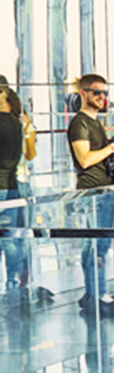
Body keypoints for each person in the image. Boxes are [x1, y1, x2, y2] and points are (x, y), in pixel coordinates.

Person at [67, 74, 114, 318]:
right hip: (92, 191)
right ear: (83, 93)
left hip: (104, 189)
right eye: (97, 93)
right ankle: (97, 293)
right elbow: (84, 159)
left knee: (99, 243)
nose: (102, 97)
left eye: (105, 93)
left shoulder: (95, 122)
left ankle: (95, 292)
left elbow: (98, 155)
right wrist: (111, 148)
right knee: (97, 244)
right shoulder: (80, 123)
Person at [0, 87, 36, 300]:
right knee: (12, 235)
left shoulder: (9, 123)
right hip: (14, 183)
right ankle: (15, 279)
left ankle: (15, 278)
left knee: (9, 236)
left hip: (12, 184)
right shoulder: (18, 123)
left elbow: (30, 154)